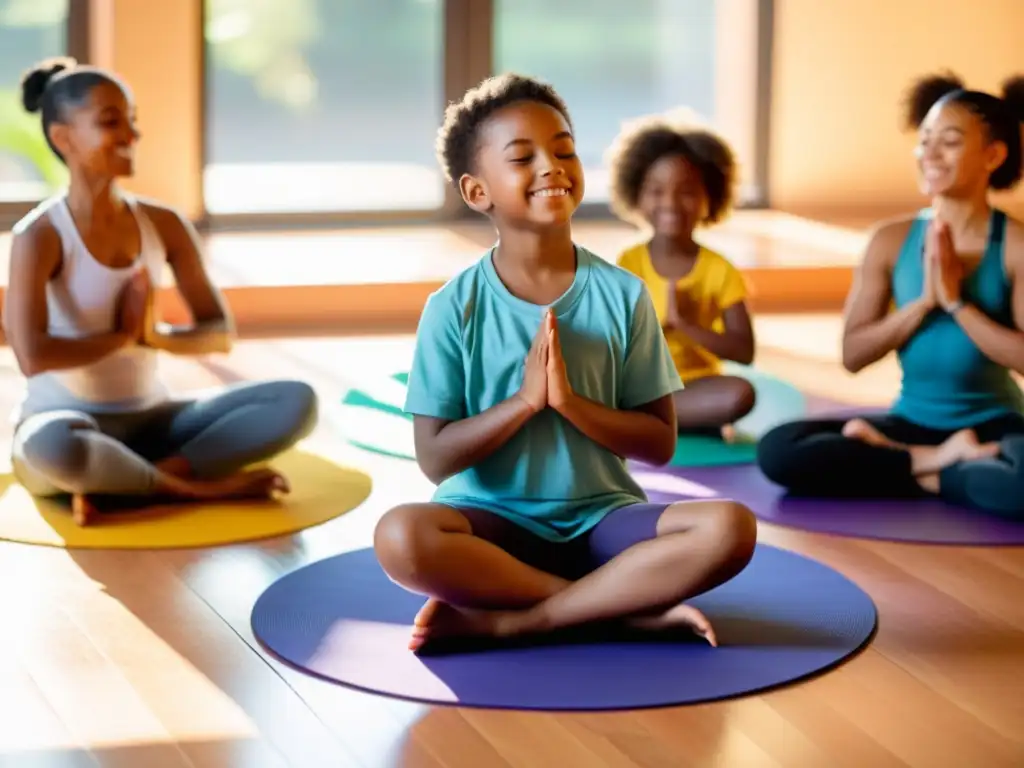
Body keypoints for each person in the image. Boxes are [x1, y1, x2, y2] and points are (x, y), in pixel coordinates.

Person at [372, 73, 757, 653]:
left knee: (730, 527)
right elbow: (434, 458)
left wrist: (573, 405)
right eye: (523, 158)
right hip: (492, 526)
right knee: (400, 535)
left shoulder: (625, 295)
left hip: (602, 520)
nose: (552, 167)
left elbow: (658, 443)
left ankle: (527, 619)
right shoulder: (453, 307)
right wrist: (525, 404)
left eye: (563, 150)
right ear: (479, 193)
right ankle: (612, 607)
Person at [4, 58, 318, 525]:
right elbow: (32, 356)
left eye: (132, 121)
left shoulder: (163, 224)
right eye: (112, 122)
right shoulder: (40, 235)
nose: (132, 135)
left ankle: (132, 482)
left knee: (296, 401)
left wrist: (155, 336)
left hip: (156, 421)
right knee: (49, 448)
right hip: (70, 422)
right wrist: (121, 336)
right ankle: (194, 488)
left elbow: (218, 332)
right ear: (63, 137)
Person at [757, 72, 1024, 519]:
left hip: (996, 427)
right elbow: (853, 354)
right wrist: (923, 304)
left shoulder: (1014, 245)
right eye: (924, 140)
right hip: (911, 422)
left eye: (950, 141)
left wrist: (958, 302)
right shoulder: (890, 240)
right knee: (779, 450)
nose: (929, 154)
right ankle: (939, 463)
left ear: (993, 155)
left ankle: (914, 467)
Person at [606, 113, 756, 438]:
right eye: (656, 191)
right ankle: (664, 416)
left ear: (710, 198)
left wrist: (690, 327)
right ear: (636, 193)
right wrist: (657, 326)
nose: (670, 203)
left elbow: (744, 351)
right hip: (643, 386)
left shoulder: (720, 269)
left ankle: (651, 419)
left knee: (741, 394)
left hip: (697, 386)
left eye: (686, 191)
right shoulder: (628, 261)